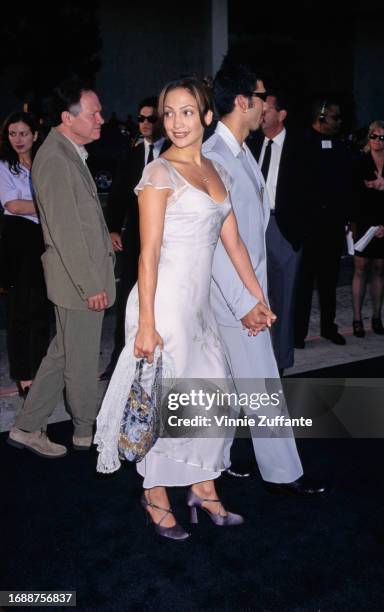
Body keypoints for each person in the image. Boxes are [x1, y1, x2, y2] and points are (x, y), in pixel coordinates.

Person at [95, 77, 274, 540]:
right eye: (168, 113)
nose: (175, 122)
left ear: (207, 117)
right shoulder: (159, 174)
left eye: (187, 112)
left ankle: (202, 487)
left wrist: (257, 300)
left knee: (213, 401)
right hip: (164, 305)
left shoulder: (218, 172)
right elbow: (147, 255)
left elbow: (233, 244)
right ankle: (154, 492)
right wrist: (147, 325)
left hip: (200, 308)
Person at [203, 61, 324, 495]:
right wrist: (246, 304)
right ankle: (283, 474)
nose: (267, 105)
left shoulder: (240, 152)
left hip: (250, 292)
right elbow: (216, 245)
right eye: (261, 96)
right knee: (263, 385)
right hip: (235, 299)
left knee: (233, 384)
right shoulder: (214, 158)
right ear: (242, 102)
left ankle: (214, 464)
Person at [8, 78, 116, 458]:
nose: (101, 118)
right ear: (67, 119)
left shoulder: (65, 152)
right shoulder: (55, 158)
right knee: (82, 362)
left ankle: (25, 427)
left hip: (79, 280)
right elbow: (66, 232)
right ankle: (87, 433)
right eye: (93, 113)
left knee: (63, 354)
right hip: (79, 283)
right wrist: (91, 285)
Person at [100, 97, 169, 380]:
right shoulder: (130, 156)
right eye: (141, 118)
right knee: (129, 299)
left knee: (163, 300)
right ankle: (120, 360)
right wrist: (113, 229)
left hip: (168, 241)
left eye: (151, 119)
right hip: (136, 242)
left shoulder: (173, 155)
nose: (145, 123)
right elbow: (116, 198)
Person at [247, 89, 305, 373]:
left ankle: (280, 364)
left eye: (266, 109)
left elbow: (315, 193)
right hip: (253, 229)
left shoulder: (300, 146)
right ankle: (256, 359)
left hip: (284, 232)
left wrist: (299, 234)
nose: (261, 113)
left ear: (281, 115)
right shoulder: (251, 143)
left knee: (282, 300)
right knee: (254, 295)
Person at [294, 98, 351, 348]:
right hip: (308, 230)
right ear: (321, 117)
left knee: (329, 283)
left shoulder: (340, 147)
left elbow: (345, 185)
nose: (339, 122)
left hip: (332, 229)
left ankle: (329, 327)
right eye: (335, 117)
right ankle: (298, 334)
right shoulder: (301, 145)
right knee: (304, 286)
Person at [0, 112, 50, 397]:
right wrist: (51, 206)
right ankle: (24, 376)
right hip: (18, 239)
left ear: (35, 135)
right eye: (12, 134)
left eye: (23, 133)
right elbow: (14, 205)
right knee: (21, 309)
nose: (18, 139)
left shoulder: (44, 163)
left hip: (45, 238)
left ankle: (42, 369)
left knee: (42, 308)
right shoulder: (4, 167)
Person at [350, 120, 384, 337]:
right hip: (363, 224)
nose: (376, 140)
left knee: (379, 269)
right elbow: (354, 197)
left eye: (381, 137)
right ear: (368, 138)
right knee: (360, 268)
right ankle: (357, 319)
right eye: (373, 135)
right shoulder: (359, 162)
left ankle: (376, 316)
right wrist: (359, 225)